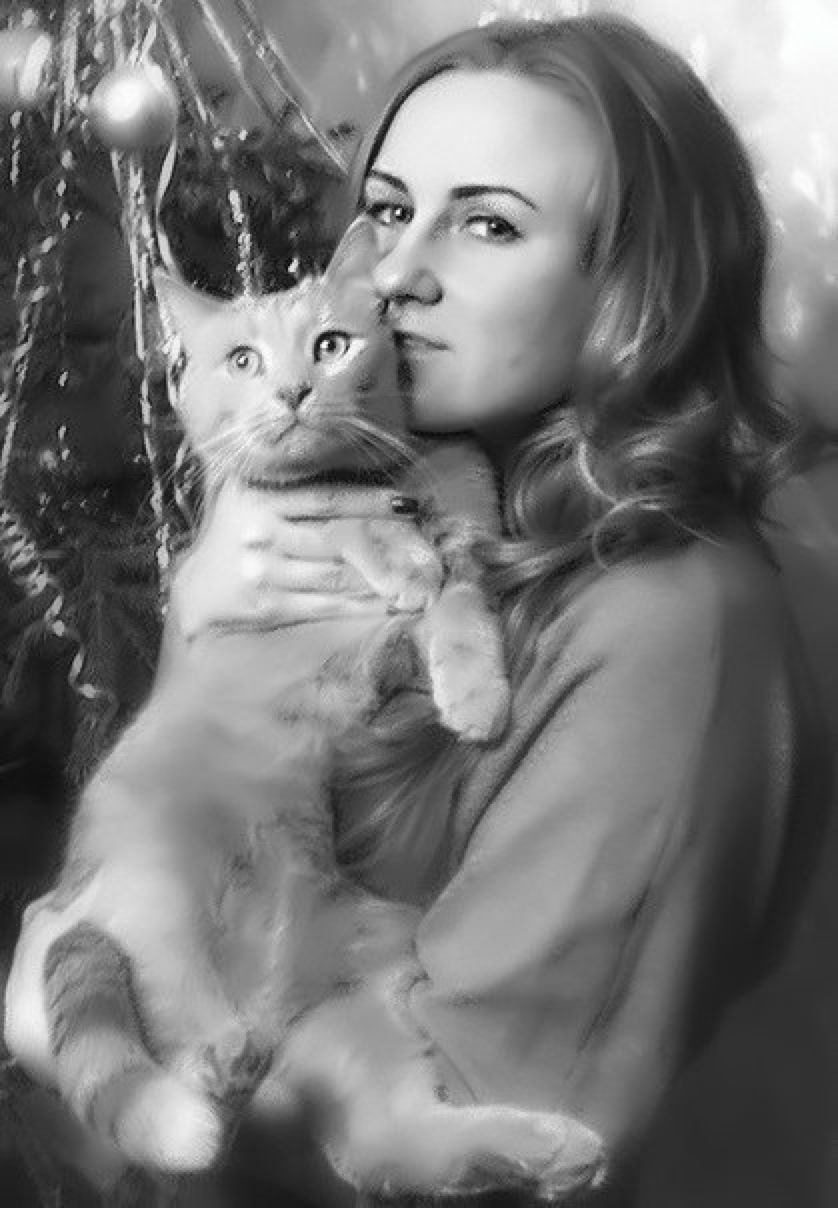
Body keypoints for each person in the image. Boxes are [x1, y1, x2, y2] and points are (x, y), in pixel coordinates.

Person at [4, 14, 831, 1207]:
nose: (396, 273)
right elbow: (208, 832)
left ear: (636, 289)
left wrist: (53, 1023)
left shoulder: (674, 627)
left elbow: (482, 1138)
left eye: (489, 223)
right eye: (388, 209)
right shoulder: (433, 498)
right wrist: (203, 626)